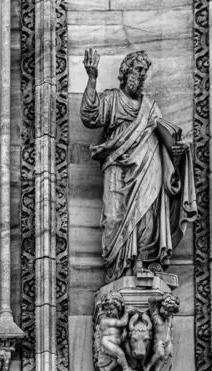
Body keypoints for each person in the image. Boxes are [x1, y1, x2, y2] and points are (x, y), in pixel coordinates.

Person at [81, 48, 197, 282]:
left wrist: (176, 152)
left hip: (148, 164)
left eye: (145, 71)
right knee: (113, 217)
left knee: (147, 213)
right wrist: (92, 78)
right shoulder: (111, 99)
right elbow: (90, 116)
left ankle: (143, 261)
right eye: (139, 69)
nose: (143, 74)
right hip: (116, 164)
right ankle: (118, 267)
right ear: (126, 71)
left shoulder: (151, 108)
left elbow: (164, 139)